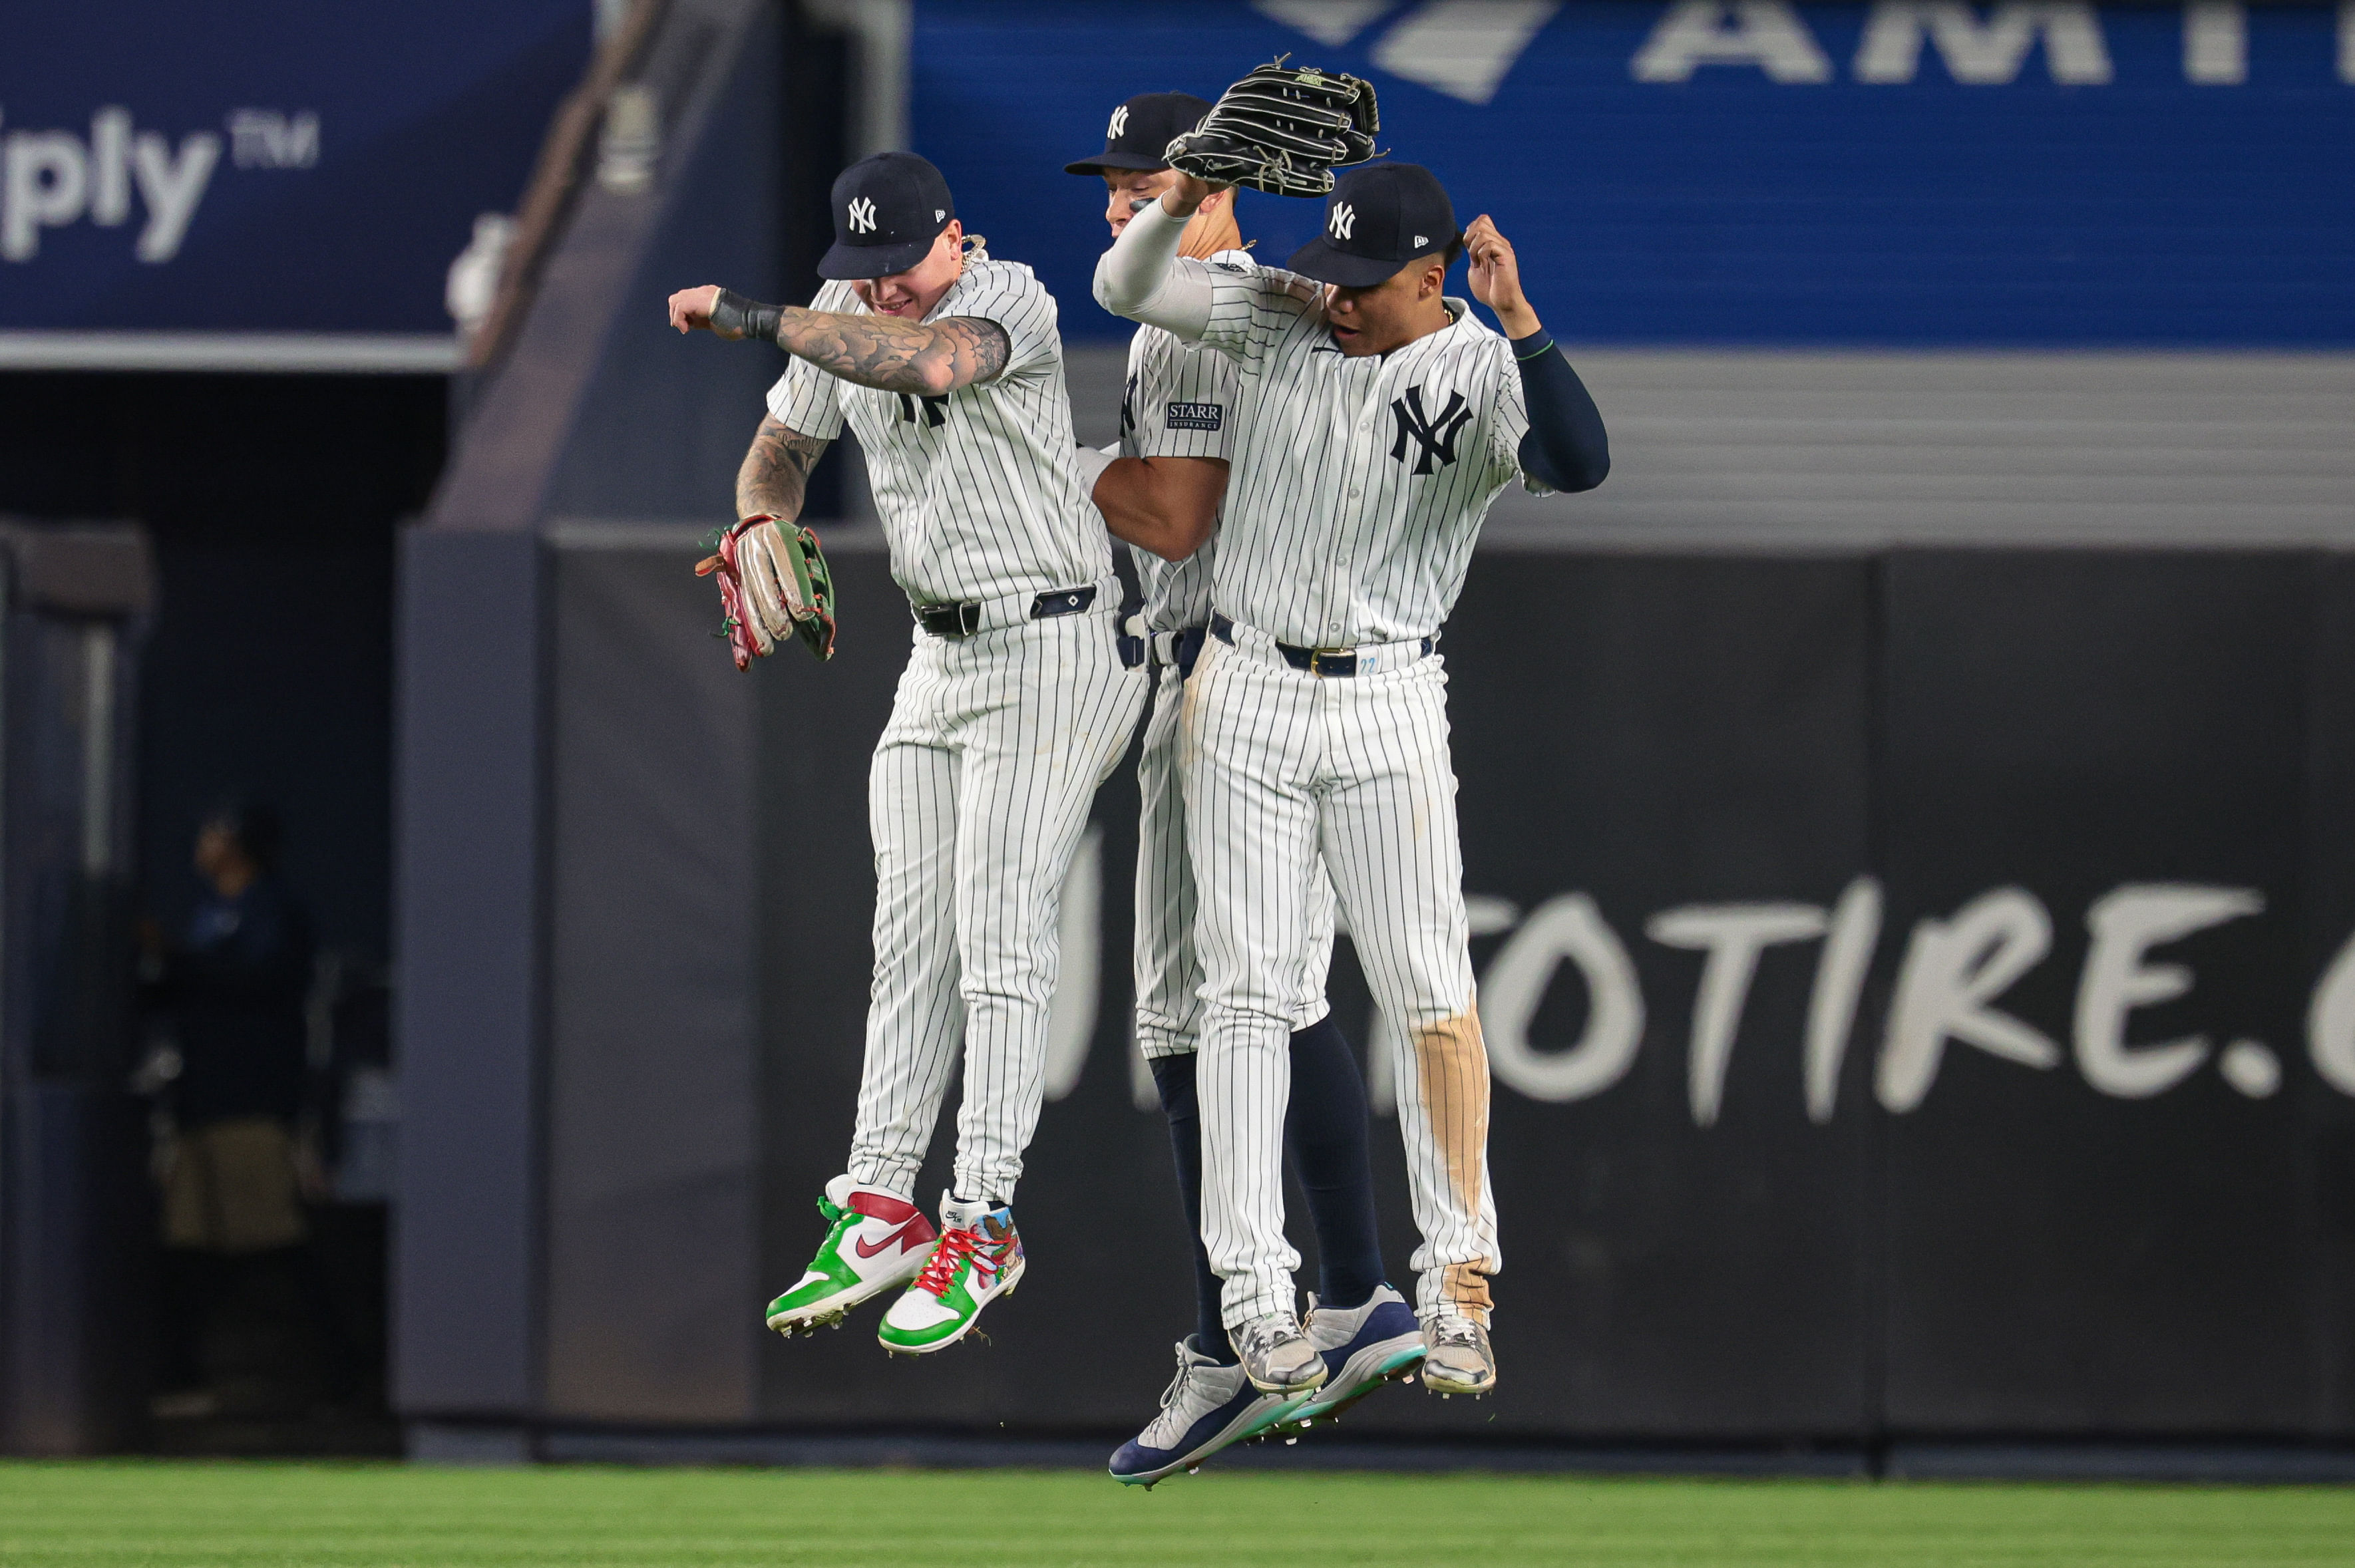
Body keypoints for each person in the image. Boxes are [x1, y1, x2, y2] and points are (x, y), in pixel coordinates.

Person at [1096, 158, 1610, 1400]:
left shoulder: (1482, 369)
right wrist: (1182, 189)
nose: (1334, 295)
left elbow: (1580, 462)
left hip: (1386, 695)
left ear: (1431, 279)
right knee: (1247, 997)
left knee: (1429, 991)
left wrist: (1524, 323)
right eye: (1327, 269)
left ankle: (1456, 1290)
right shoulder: (1279, 311)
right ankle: (1257, 1297)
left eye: (1362, 281)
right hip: (1247, 688)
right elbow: (1123, 285)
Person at [667, 152, 1147, 1356]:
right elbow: (782, 443)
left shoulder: (1010, 298)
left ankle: (980, 1218)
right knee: (911, 936)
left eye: (899, 266)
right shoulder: (844, 314)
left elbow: (932, 363)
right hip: (941, 655)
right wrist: (759, 513)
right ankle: (880, 1201)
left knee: (996, 929)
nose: (881, 290)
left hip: (1058, 640)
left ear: (953, 240)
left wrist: (756, 314)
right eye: (861, 271)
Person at [1065, 92, 1421, 1486]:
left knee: (1205, 1008)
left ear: (1212, 184)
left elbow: (1178, 512)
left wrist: (1041, 469)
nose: (1114, 197)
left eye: (1139, 176)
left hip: (1221, 670)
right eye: (1109, 178)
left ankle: (1274, 1317)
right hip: (1240, 668)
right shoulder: (1237, 302)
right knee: (1264, 998)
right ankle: (1326, 1294)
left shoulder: (1208, 308)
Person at [144, 802, 326, 1406]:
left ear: (240, 842)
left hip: (250, 1097)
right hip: (202, 1100)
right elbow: (189, 989)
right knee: (189, 1245)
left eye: (214, 830)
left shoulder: (273, 909)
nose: (203, 841)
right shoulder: (210, 914)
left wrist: (173, 955)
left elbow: (256, 980)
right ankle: (179, 1378)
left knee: (274, 1240)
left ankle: (344, 1373)